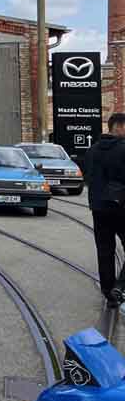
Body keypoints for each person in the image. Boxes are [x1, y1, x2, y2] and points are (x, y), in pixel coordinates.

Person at [84, 112, 125, 307]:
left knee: (105, 251)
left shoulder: (92, 151)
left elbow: (88, 178)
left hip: (99, 208)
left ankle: (109, 294)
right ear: (119, 127)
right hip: (121, 208)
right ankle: (120, 286)